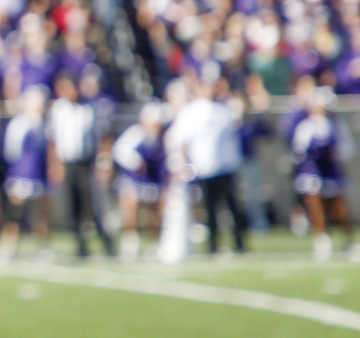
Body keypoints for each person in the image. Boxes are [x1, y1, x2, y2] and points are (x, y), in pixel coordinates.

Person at [167, 75, 247, 255]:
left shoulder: (223, 109)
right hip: (204, 166)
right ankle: (213, 244)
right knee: (210, 208)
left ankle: (239, 242)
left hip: (225, 166)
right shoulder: (192, 111)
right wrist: (184, 163)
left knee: (232, 206)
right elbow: (181, 139)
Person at [47, 75, 111, 258]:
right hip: (68, 162)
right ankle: (80, 244)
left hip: (86, 162)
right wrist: (55, 165)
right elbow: (53, 140)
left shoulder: (89, 107)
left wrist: (104, 163)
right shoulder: (58, 109)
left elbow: (103, 135)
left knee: (93, 203)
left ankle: (106, 241)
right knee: (73, 204)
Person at [293, 87, 354, 261]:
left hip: (332, 171)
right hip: (313, 172)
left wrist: (334, 154)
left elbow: (347, 148)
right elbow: (298, 151)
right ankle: (321, 239)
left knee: (339, 208)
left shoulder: (337, 125)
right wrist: (312, 155)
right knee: (316, 206)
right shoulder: (306, 126)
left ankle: (348, 240)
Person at [0, 86, 50, 261]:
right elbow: (11, 152)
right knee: (15, 213)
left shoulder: (43, 124)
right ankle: (8, 247)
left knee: (40, 214)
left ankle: (43, 248)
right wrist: (16, 173)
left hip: (39, 175)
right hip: (21, 174)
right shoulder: (19, 124)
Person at [110, 103, 168, 262]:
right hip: (134, 177)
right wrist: (136, 161)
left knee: (156, 210)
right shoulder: (136, 134)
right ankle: (130, 240)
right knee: (130, 204)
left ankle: (155, 242)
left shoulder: (162, 137)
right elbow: (119, 151)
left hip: (153, 178)